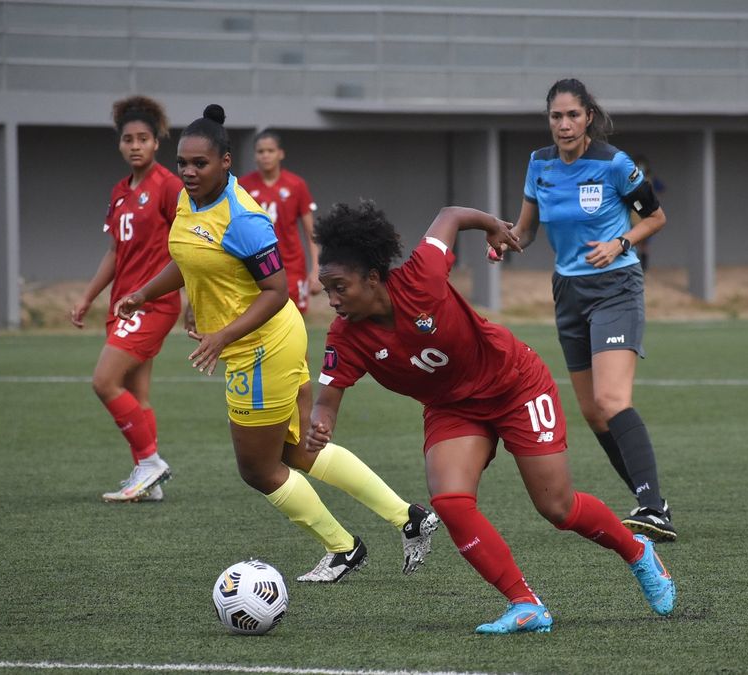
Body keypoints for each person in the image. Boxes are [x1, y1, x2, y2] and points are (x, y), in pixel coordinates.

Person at [307, 202, 676, 634]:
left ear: (372, 277)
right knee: (450, 500)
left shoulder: (421, 275)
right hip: (453, 408)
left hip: (515, 384)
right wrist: (321, 422)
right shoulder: (345, 335)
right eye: (326, 289)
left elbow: (447, 215)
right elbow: (327, 397)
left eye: (339, 287)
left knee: (557, 507)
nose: (331, 300)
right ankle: (525, 604)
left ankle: (638, 551)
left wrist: (495, 228)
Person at [115, 105, 438, 581]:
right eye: (182, 162)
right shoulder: (190, 199)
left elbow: (276, 290)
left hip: (262, 346)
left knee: (258, 469)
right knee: (297, 450)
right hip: (259, 343)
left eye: (199, 163)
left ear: (226, 162)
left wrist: (221, 333)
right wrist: (145, 292)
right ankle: (408, 518)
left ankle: (344, 548)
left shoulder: (244, 218)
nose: (187, 171)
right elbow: (189, 260)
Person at [492, 78, 676, 541]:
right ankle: (649, 497)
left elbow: (655, 217)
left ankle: (653, 508)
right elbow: (527, 231)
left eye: (573, 115)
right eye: (556, 116)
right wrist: (505, 242)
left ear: (588, 116)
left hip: (616, 286)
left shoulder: (615, 164)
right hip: (568, 293)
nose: (564, 124)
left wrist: (620, 243)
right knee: (594, 412)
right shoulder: (539, 163)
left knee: (613, 400)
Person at [69, 95, 182, 503]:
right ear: (120, 144)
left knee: (104, 381)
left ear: (157, 143)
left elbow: (187, 245)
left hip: (153, 304)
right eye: (128, 139)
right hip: (124, 305)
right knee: (139, 395)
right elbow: (116, 252)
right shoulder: (119, 192)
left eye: (143, 139)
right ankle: (146, 479)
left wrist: (193, 302)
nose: (135, 145)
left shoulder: (169, 186)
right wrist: (87, 297)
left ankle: (150, 462)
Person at [238, 131, 321, 314]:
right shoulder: (243, 186)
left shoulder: (296, 185)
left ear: (280, 153)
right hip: (256, 266)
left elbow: (311, 232)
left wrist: (316, 269)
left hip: (291, 267)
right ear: (255, 155)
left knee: (294, 319)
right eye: (261, 151)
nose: (265, 155)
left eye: (270, 150)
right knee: (259, 321)